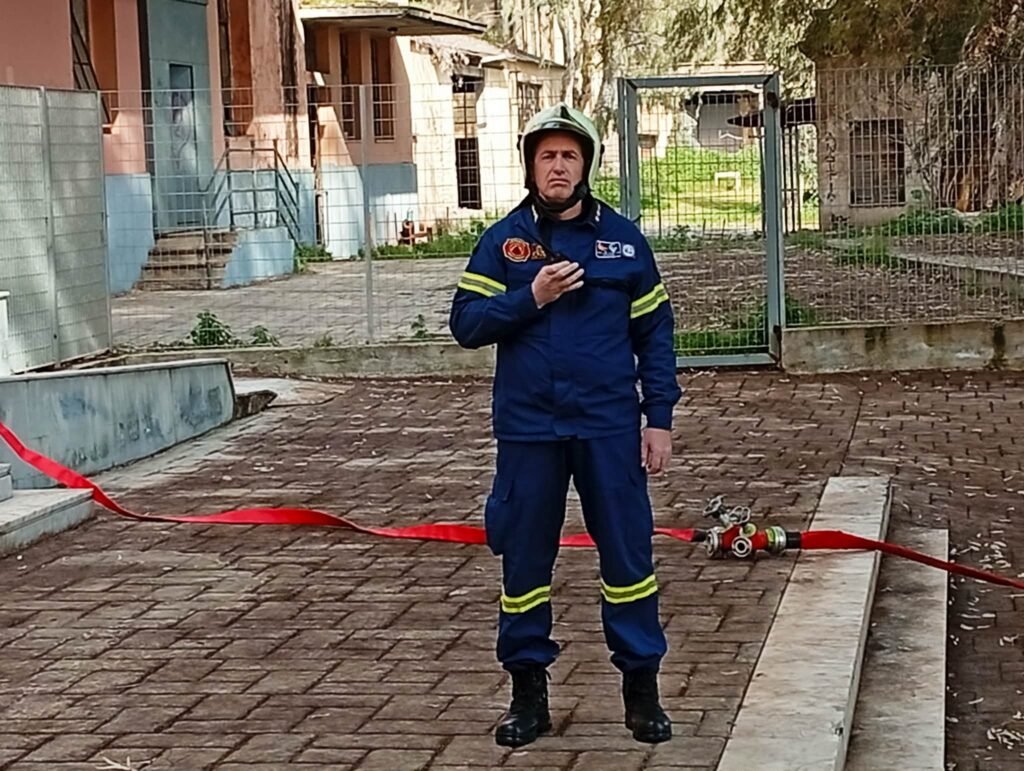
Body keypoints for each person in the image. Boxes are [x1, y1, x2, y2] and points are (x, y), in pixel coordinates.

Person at [448, 103, 682, 748]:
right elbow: (466, 325)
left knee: (629, 557)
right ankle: (528, 695)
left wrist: (658, 419)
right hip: (529, 430)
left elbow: (655, 335)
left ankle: (642, 690)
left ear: (586, 166)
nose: (558, 166)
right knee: (524, 561)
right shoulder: (503, 241)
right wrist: (531, 296)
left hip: (608, 427)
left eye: (569, 156)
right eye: (547, 155)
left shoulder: (624, 242)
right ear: (530, 166)